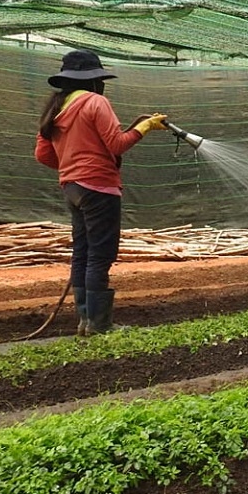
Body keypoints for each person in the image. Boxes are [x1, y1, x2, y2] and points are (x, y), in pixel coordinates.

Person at [34, 50, 168, 335]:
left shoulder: (56, 107)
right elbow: (117, 144)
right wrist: (144, 126)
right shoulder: (96, 102)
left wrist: (73, 163)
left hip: (72, 188)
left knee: (82, 252)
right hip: (99, 187)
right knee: (100, 255)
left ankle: (85, 320)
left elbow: (43, 155)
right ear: (93, 81)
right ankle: (99, 324)